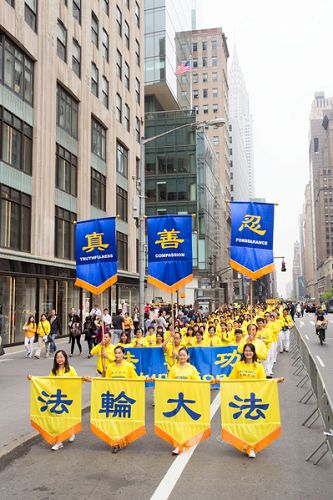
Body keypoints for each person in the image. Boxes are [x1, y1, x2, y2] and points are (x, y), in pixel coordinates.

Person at [229, 343, 266, 459]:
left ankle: (251, 447)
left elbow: (263, 383)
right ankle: (243, 443)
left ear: (254, 353)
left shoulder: (258, 367)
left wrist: (275, 382)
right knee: (242, 422)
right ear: (243, 352)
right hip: (240, 400)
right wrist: (219, 380)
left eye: (250, 351)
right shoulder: (238, 366)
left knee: (252, 423)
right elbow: (230, 380)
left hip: (253, 400)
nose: (248, 353)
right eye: (246, 351)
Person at [104, 345, 138, 453]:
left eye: (119, 353)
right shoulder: (110, 367)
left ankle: (123, 437)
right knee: (114, 419)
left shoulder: (129, 366)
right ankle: (116, 441)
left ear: (123, 354)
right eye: (116, 353)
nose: (117, 355)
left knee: (123, 419)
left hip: (125, 399)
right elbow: (106, 382)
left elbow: (135, 380)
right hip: (113, 398)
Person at [48, 350, 78, 451]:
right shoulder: (53, 371)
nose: (59, 359)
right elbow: (47, 382)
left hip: (67, 398)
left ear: (65, 358)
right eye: (57, 357)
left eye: (61, 357)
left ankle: (71, 431)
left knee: (66, 419)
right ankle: (59, 442)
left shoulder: (71, 370)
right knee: (58, 420)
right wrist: (33, 379)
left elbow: (77, 381)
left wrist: (83, 379)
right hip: (57, 399)